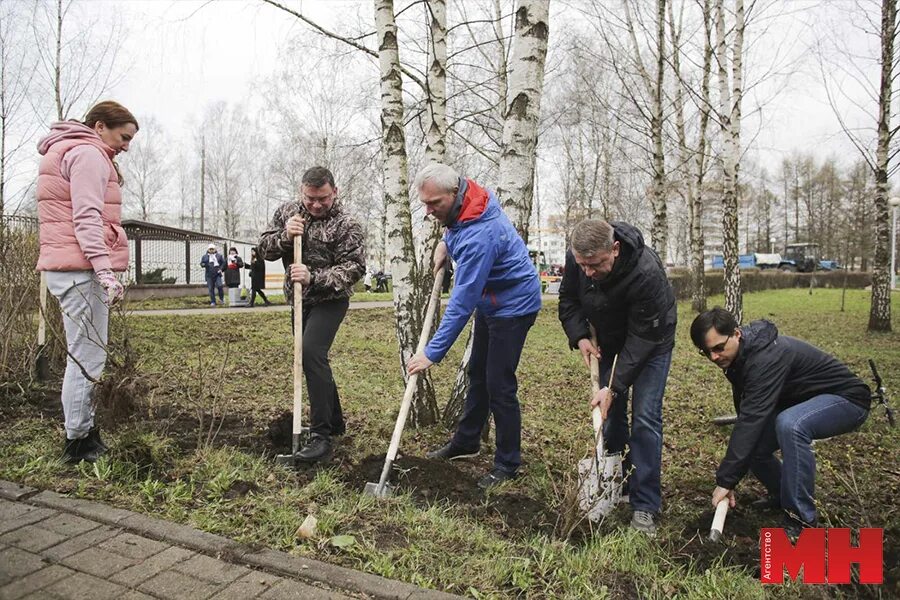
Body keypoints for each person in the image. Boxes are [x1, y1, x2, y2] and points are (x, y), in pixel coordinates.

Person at [406, 163, 542, 490]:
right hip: (492, 302)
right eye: (424, 203)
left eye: (434, 204)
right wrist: (446, 242)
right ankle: (467, 442)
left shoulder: (480, 236)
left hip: (514, 307)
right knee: (476, 373)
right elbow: (457, 225)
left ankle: (508, 463)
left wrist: (432, 352)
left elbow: (462, 302)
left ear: (453, 194)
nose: (428, 211)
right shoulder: (468, 201)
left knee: (499, 383)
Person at [690, 308, 870, 539]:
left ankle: (801, 519)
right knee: (755, 445)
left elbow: (752, 418)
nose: (714, 357)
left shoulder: (766, 357)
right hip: (805, 400)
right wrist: (734, 472)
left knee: (791, 424)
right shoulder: (740, 356)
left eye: (718, 348)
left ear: (736, 334)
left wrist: (726, 480)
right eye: (706, 352)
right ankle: (781, 495)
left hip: (847, 399)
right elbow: (748, 416)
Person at [558, 219, 677, 535]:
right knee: (609, 416)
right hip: (607, 339)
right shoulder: (579, 258)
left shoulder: (646, 273)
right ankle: (617, 482)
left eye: (595, 265)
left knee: (646, 418)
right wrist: (580, 335)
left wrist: (615, 385)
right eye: (582, 265)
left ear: (615, 249)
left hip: (651, 341)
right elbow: (568, 300)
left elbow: (641, 341)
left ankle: (645, 505)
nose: (587, 272)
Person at [36, 100, 138, 463]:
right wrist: (104, 269)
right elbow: (87, 218)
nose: (126, 146)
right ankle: (78, 441)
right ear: (99, 126)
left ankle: (83, 429)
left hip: (67, 269)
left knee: (83, 354)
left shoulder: (64, 149)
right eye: (123, 137)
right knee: (87, 358)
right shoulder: (89, 155)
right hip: (82, 270)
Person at [258, 166, 365, 462]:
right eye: (310, 199)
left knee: (310, 353)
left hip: (330, 298)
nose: (316, 205)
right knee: (310, 358)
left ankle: (320, 436)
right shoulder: (288, 213)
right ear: (301, 192)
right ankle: (335, 421)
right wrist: (284, 236)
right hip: (298, 300)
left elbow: (354, 268)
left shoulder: (347, 224)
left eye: (323, 199)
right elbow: (263, 249)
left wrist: (313, 277)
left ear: (335, 192)